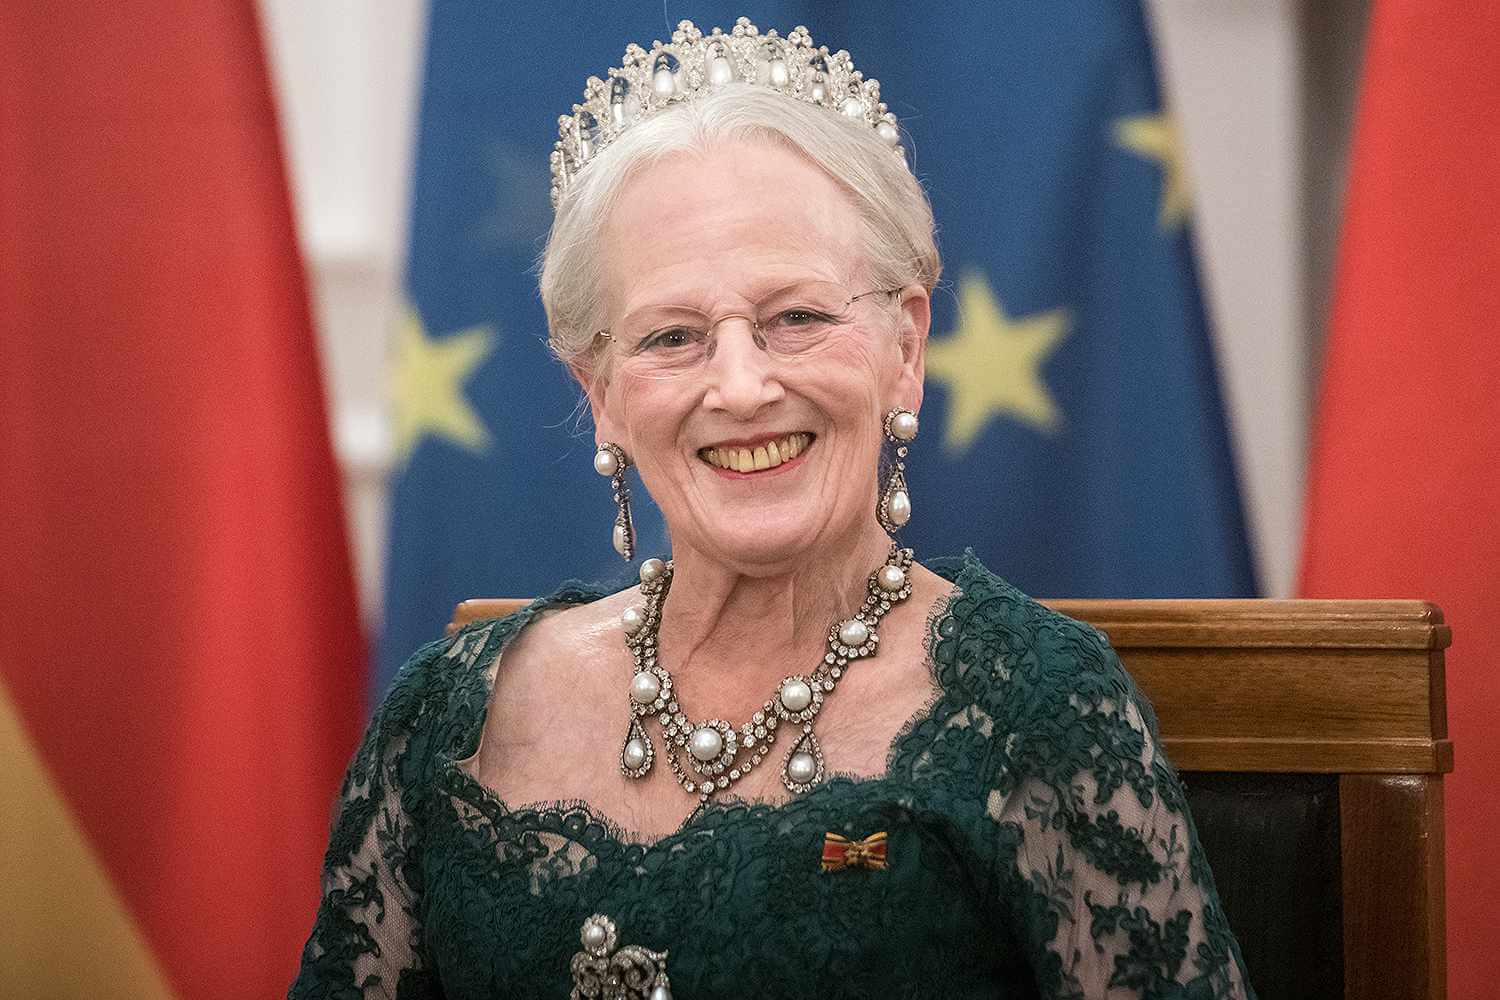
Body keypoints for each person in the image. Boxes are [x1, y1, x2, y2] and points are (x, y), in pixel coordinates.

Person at [291, 18, 1254, 1000]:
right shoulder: (451, 718)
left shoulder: (1033, 709)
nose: (742, 386)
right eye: (673, 337)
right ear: (601, 393)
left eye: (797, 318)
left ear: (905, 348)